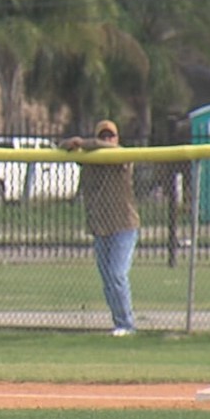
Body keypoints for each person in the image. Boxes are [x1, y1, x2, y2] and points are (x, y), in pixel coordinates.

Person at [62, 120, 139, 337]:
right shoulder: (88, 159)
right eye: (102, 136)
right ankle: (119, 323)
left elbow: (112, 150)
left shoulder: (122, 157)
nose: (107, 140)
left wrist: (87, 142)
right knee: (108, 280)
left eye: (110, 136)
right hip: (100, 226)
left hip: (124, 225)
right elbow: (62, 147)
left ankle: (127, 324)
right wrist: (71, 143)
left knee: (117, 274)